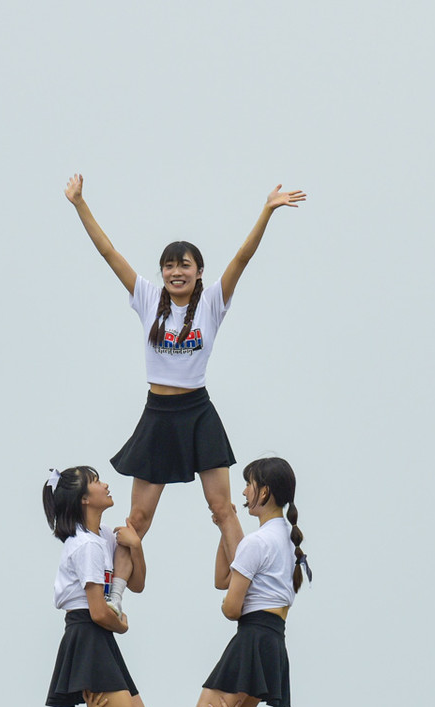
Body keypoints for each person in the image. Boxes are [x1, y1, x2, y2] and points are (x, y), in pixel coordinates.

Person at [63, 173, 305, 549]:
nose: (177, 272)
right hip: (158, 414)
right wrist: (80, 204)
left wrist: (267, 211)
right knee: (137, 519)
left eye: (185, 265)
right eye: (170, 266)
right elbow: (108, 252)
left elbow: (243, 257)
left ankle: (247, 581)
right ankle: (115, 595)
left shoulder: (211, 303)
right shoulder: (146, 298)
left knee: (222, 508)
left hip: (197, 411)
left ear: (199, 272)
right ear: (162, 273)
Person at [181, 459, 309, 707]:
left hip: (251, 640)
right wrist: (225, 527)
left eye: (249, 484)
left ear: (264, 491)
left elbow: (231, 606)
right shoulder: (288, 542)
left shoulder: (258, 542)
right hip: (273, 642)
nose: (244, 490)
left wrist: (227, 604)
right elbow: (223, 578)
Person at [42, 467, 151, 707]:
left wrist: (137, 546)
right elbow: (98, 611)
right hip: (88, 635)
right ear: (84, 500)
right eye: (95, 482)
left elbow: (137, 583)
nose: (105, 484)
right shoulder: (87, 545)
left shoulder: (102, 537)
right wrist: (122, 625)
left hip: (99, 635)